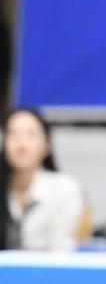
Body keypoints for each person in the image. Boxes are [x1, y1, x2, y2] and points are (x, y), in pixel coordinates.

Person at [2, 107, 84, 251]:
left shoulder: (65, 190)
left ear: (47, 146)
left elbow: (62, 250)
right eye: (12, 134)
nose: (21, 144)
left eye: (30, 134)